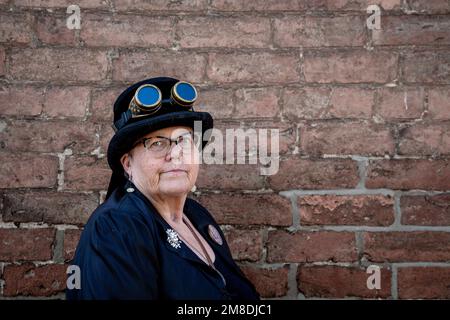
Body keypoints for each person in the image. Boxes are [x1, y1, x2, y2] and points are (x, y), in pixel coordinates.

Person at [66, 76, 260, 300]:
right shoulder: (116, 227)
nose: (175, 154)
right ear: (128, 164)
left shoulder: (197, 216)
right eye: (157, 143)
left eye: (185, 141)